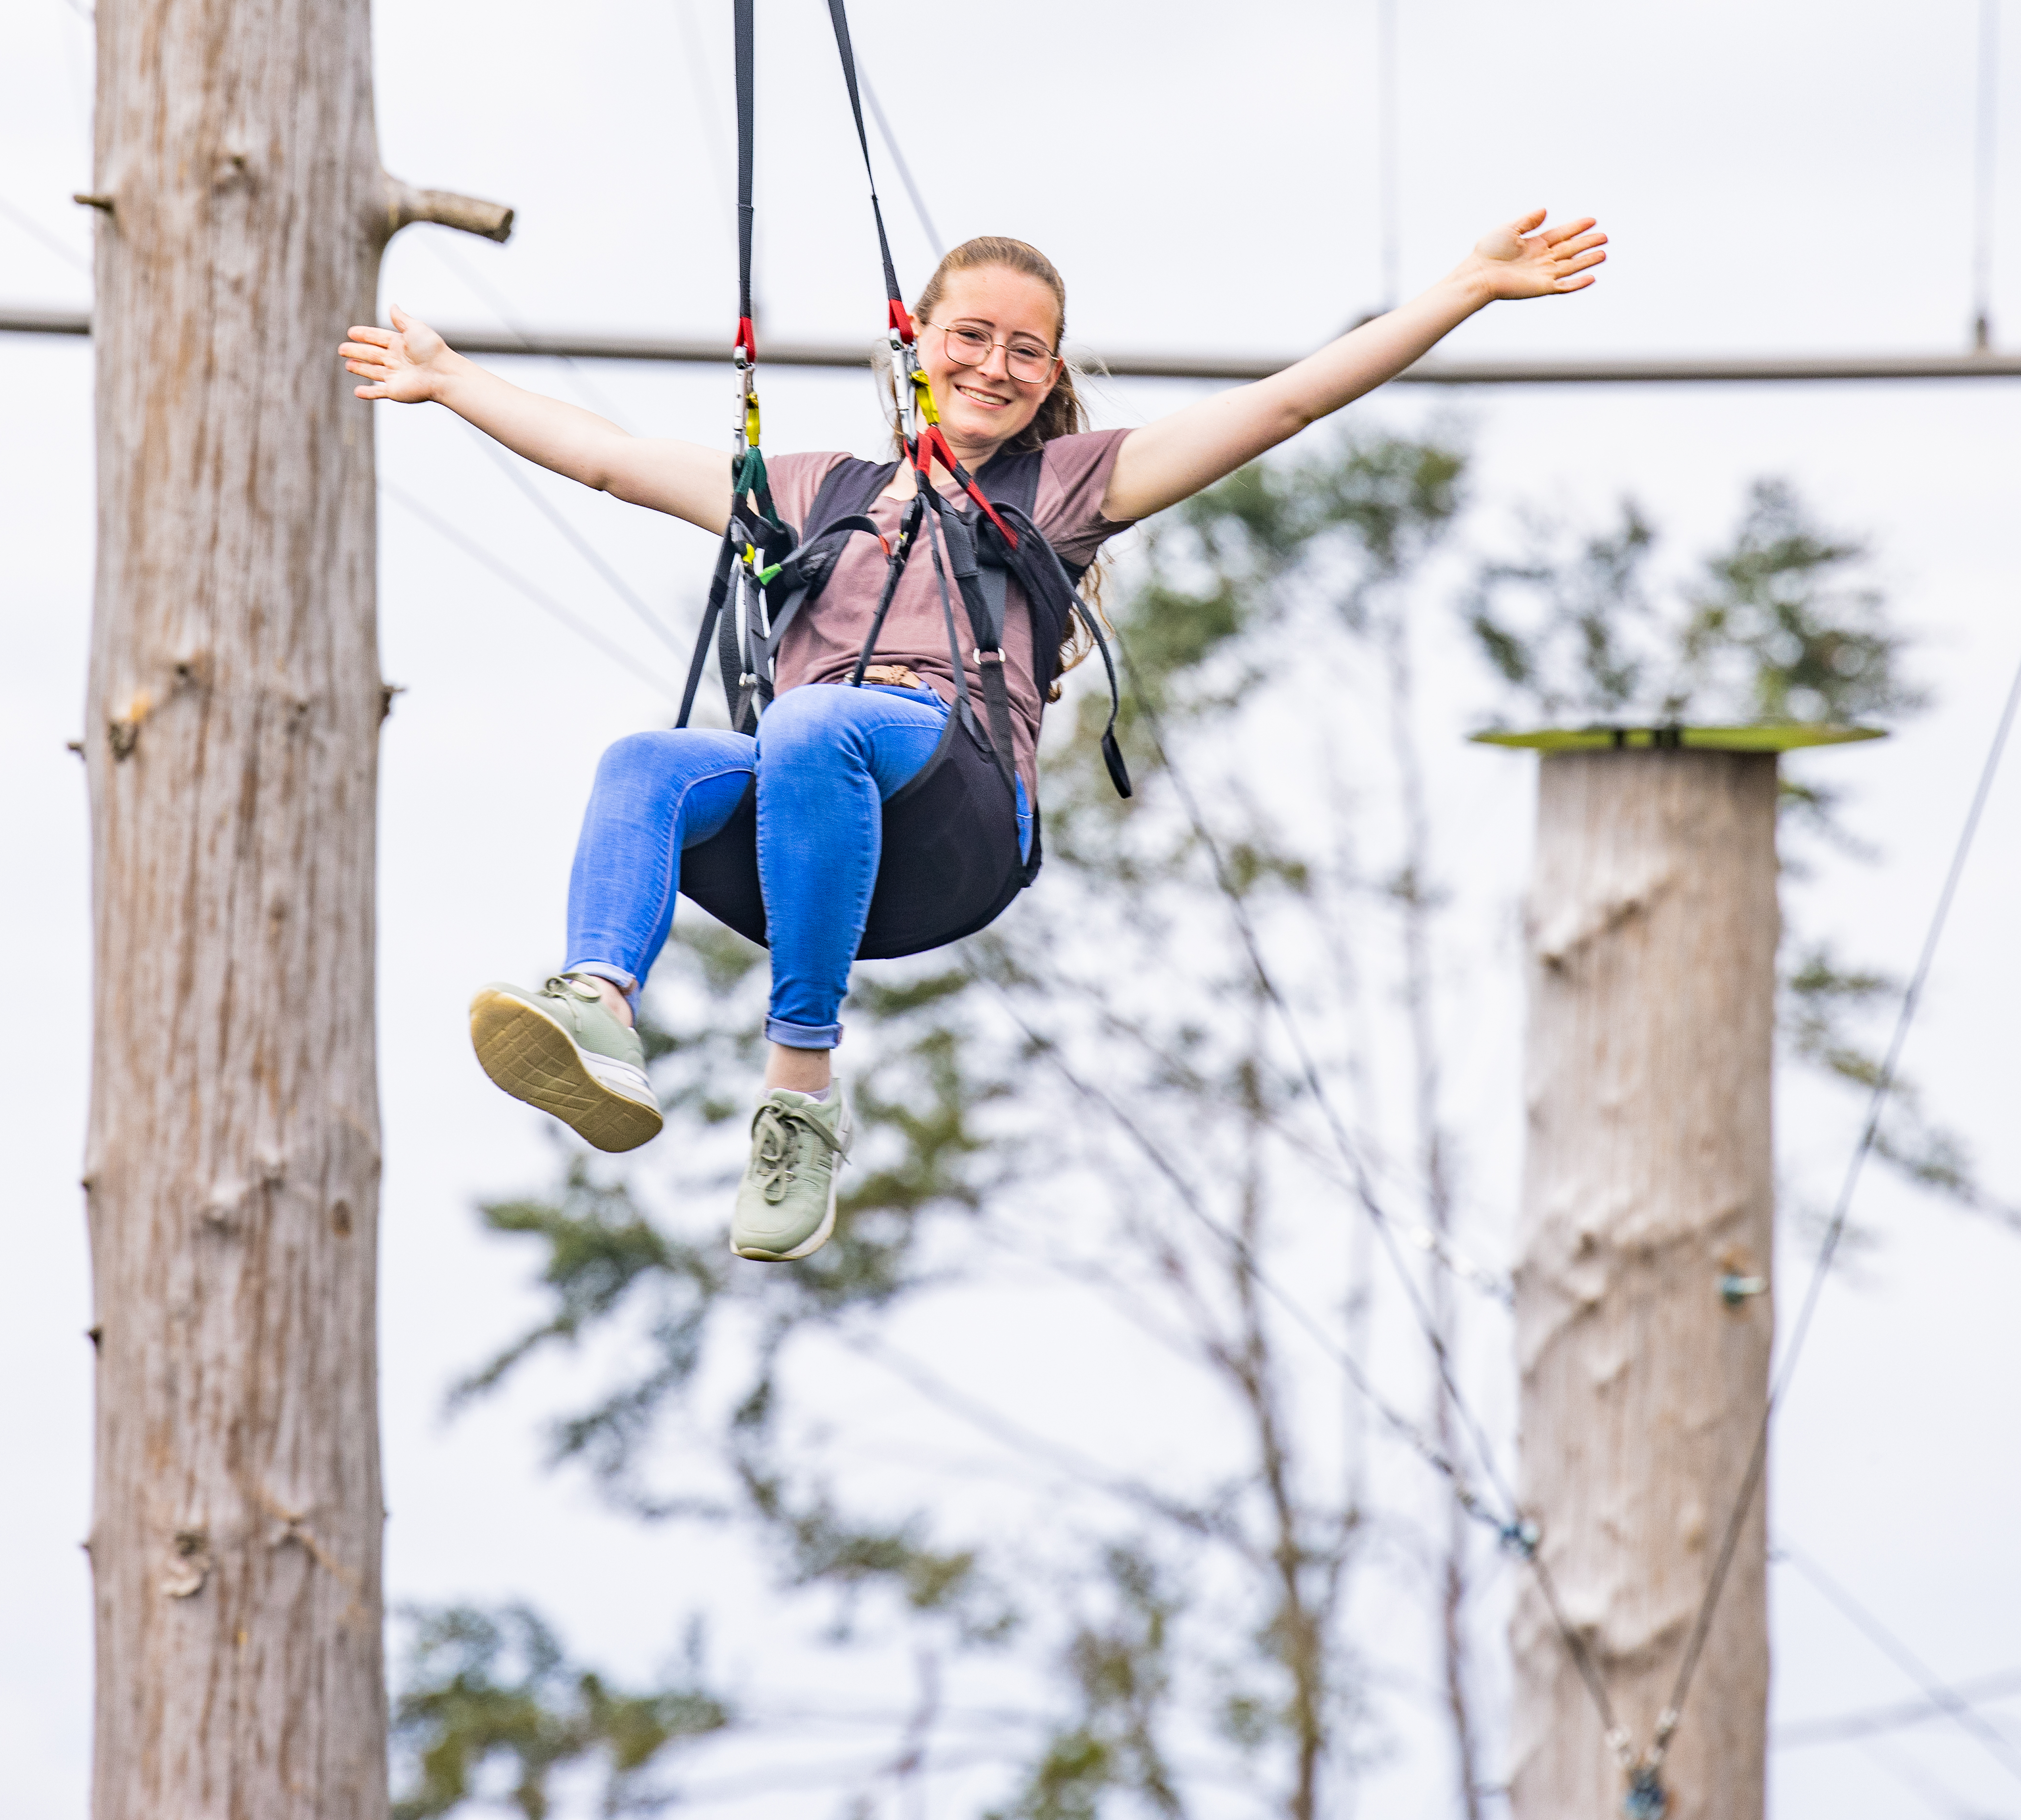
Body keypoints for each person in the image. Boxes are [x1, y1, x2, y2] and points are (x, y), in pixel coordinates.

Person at [338, 211, 1607, 1263]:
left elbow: (1281, 409)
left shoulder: (1061, 492)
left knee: (815, 721)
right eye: (974, 338)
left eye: (1029, 351)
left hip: (949, 816)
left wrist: (1462, 291)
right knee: (648, 762)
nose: (999, 366)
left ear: (1055, 377)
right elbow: (613, 459)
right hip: (810, 809)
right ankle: (602, 1004)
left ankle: (800, 1086)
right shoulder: (815, 492)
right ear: (920, 347)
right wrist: (452, 383)